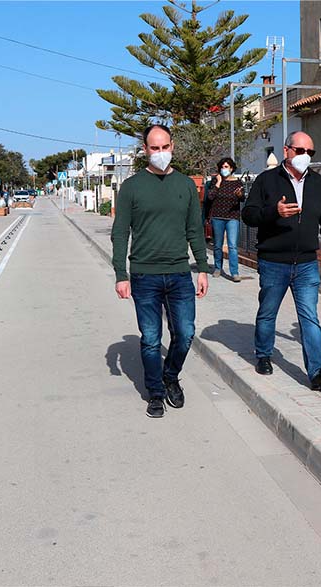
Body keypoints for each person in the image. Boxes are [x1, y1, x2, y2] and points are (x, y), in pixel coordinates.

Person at [111, 124, 210, 418]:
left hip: (180, 273)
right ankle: (155, 391)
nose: (160, 153)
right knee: (151, 338)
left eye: (165, 147)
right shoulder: (131, 187)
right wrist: (121, 273)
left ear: (173, 146)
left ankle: (170, 376)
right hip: (144, 275)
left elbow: (195, 229)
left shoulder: (185, 186)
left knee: (186, 332)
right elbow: (120, 232)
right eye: (154, 148)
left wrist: (202, 269)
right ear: (145, 150)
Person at [241, 131, 321, 392]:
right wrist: (273, 212)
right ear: (287, 151)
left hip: (307, 263)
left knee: (309, 317)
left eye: (310, 153)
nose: (305, 157)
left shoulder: (316, 183)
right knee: (268, 312)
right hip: (274, 261)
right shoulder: (267, 180)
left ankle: (318, 371)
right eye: (301, 151)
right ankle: (263, 354)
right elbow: (249, 215)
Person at [207, 157, 245, 282]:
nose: (224, 169)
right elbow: (210, 197)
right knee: (217, 245)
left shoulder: (237, 182)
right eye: (222, 167)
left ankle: (234, 272)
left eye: (226, 167)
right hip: (218, 216)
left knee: (232, 245)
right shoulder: (215, 181)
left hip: (232, 217)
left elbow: (242, 198)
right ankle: (218, 268)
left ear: (232, 168)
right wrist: (218, 183)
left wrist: (240, 195)